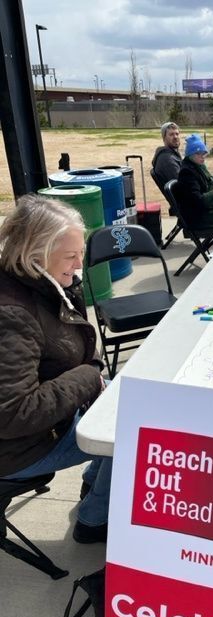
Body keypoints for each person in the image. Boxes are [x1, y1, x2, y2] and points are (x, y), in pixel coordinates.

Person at [0, 194, 112, 544]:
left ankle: (96, 480)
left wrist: (90, 377)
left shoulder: (43, 283)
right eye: (70, 256)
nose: (80, 264)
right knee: (130, 434)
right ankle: (95, 520)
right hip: (18, 449)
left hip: (46, 422)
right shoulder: (12, 314)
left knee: (127, 398)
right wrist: (88, 378)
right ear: (35, 253)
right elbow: (13, 413)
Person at [151, 121, 182, 200]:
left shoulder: (171, 155)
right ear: (164, 138)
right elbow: (182, 184)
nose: (175, 137)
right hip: (188, 203)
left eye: (177, 134)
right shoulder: (167, 159)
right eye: (171, 134)